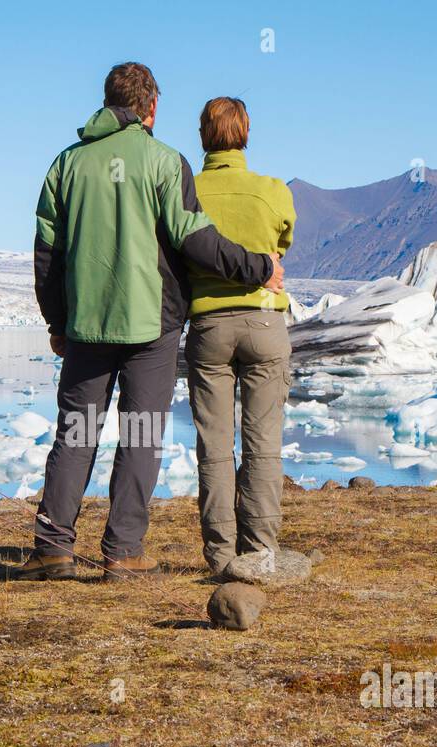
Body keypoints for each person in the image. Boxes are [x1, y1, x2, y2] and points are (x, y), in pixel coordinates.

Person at [19, 63, 284, 581]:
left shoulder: (65, 165)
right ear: (151, 107)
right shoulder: (165, 162)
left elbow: (46, 254)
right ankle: (122, 552)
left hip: (86, 327)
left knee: (75, 434)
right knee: (140, 435)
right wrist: (258, 267)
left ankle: (53, 548)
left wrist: (57, 320)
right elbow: (195, 241)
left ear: (107, 101)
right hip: (152, 328)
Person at [184, 97, 297, 575]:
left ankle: (221, 555)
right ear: (246, 133)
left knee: (214, 444)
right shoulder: (271, 190)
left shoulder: (188, 190)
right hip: (265, 323)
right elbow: (283, 242)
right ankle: (261, 551)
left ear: (203, 135)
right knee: (263, 442)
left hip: (209, 325)